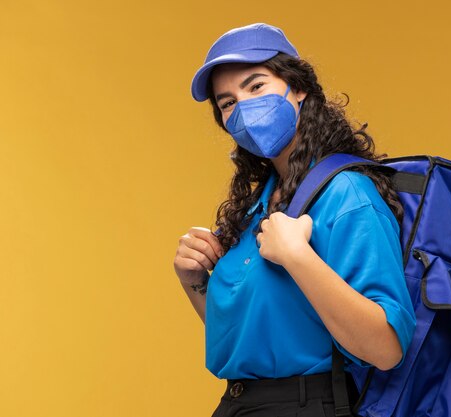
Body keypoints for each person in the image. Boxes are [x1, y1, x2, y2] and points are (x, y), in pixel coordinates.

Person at [173, 22, 417, 417]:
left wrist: (298, 258)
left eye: (256, 87)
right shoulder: (257, 205)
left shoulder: (348, 194)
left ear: (298, 87)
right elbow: (250, 336)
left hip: (307, 405)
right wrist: (195, 282)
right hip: (241, 403)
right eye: (227, 102)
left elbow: (386, 348)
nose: (243, 109)